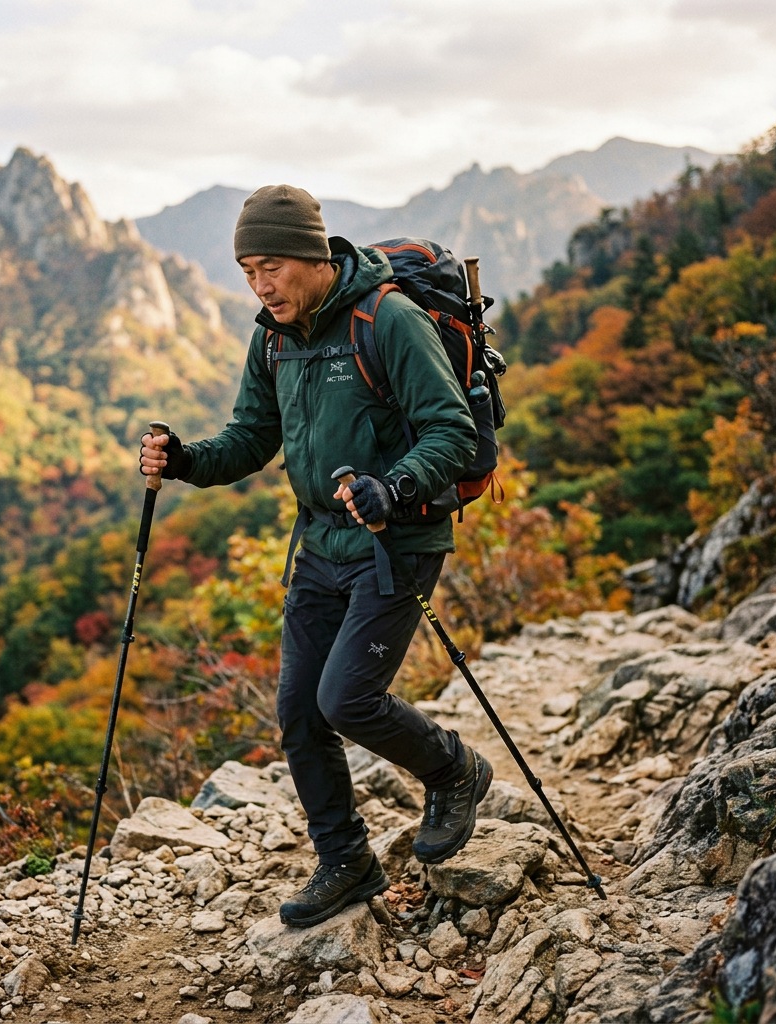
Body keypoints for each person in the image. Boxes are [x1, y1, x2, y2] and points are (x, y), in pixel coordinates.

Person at [140, 184, 493, 929]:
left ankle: (455, 770)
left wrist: (394, 487)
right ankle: (346, 861)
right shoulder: (273, 338)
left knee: (347, 700)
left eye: (270, 267)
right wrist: (185, 460)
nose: (260, 286)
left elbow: (451, 431)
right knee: (300, 713)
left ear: (311, 256)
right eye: (247, 272)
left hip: (395, 541)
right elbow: (251, 437)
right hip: (321, 545)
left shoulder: (386, 319)